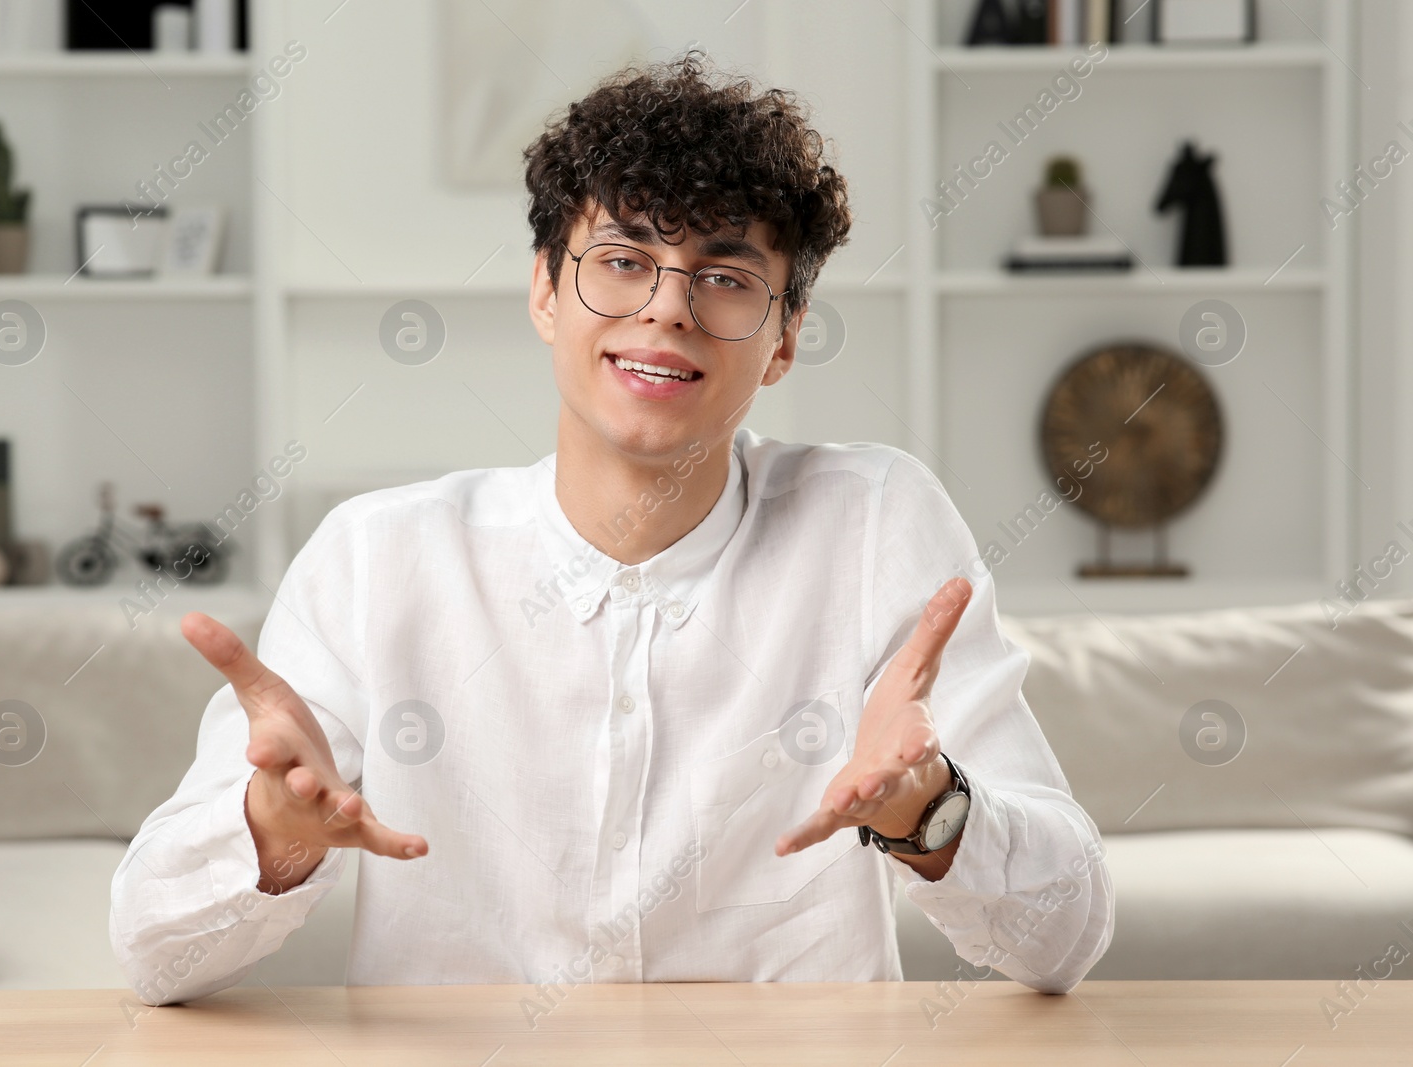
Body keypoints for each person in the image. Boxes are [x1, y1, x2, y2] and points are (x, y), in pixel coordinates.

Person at [110, 49, 1113, 1006]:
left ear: (786, 338)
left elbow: (1066, 940)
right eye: (624, 260)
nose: (666, 309)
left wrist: (929, 813)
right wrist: (273, 833)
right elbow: (152, 954)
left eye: (724, 278)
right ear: (546, 289)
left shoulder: (875, 524)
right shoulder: (378, 558)